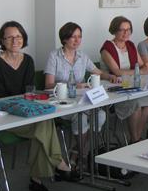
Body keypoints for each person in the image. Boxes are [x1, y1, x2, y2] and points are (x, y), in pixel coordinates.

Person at [0, 21, 77, 191]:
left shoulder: (27, 60)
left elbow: (29, 91)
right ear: (2, 41)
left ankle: (37, 179)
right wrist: (24, 100)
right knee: (43, 125)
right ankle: (58, 164)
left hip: (26, 111)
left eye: (18, 36)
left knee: (42, 125)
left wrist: (27, 100)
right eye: (10, 37)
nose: (15, 40)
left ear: (23, 39)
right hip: (6, 115)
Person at [45, 22, 118, 161]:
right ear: (65, 38)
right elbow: (48, 85)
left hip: (82, 100)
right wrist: (72, 85)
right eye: (73, 37)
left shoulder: (82, 56)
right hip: (63, 102)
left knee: (101, 115)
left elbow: (97, 72)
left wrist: (111, 76)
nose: (77, 40)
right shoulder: (54, 56)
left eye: (79, 37)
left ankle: (79, 152)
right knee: (82, 118)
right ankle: (80, 154)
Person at [100, 16, 148, 143]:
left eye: (128, 29)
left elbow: (142, 64)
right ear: (114, 30)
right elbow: (117, 72)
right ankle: (136, 140)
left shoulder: (130, 45)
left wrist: (143, 68)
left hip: (132, 86)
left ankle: (135, 137)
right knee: (135, 105)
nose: (126, 33)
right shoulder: (106, 48)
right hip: (114, 90)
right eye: (122, 30)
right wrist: (139, 71)